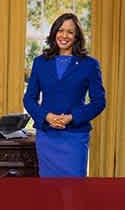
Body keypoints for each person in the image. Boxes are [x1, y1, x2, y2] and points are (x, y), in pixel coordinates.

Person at [23, 13, 106, 177]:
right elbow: (29, 99)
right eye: (60, 30)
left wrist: (71, 117)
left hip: (75, 137)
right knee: (48, 194)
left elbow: (99, 101)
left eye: (70, 32)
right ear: (54, 33)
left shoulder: (89, 65)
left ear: (76, 37)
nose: (64, 36)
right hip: (47, 137)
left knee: (72, 194)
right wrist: (46, 116)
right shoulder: (40, 62)